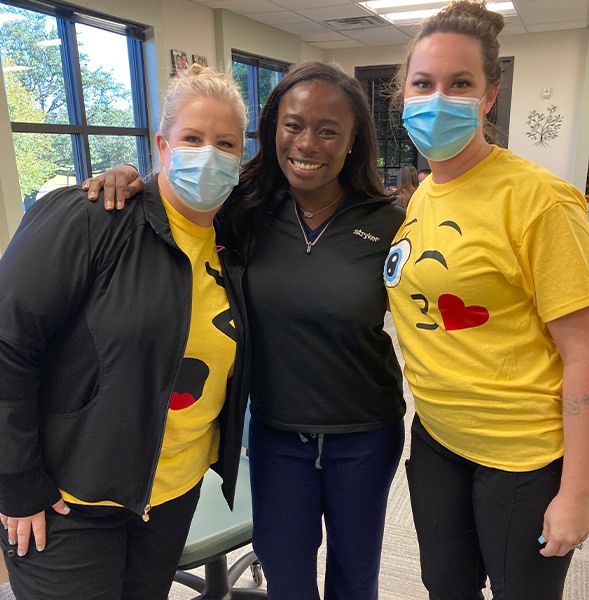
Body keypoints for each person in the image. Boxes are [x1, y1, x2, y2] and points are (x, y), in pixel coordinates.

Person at [83, 61, 407, 600]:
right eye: (293, 124)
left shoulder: (389, 221)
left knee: (357, 577)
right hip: (277, 434)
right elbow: (170, 208)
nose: (308, 142)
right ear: (272, 129)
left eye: (329, 130)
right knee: (287, 575)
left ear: (353, 143)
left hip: (366, 434)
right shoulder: (241, 209)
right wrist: (125, 174)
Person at [0, 64, 250, 600]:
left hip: (171, 495)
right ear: (162, 144)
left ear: (241, 158)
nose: (209, 154)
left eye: (226, 143)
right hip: (73, 500)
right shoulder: (92, 217)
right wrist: (16, 483)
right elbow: (7, 343)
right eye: (192, 138)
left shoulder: (235, 246)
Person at [384, 2, 589, 599]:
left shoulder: (540, 201)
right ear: (404, 93)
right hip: (437, 439)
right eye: (423, 83)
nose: (438, 97)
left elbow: (582, 353)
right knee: (445, 587)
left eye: (460, 83)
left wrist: (576, 492)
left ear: (489, 95)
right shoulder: (424, 193)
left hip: (522, 454)